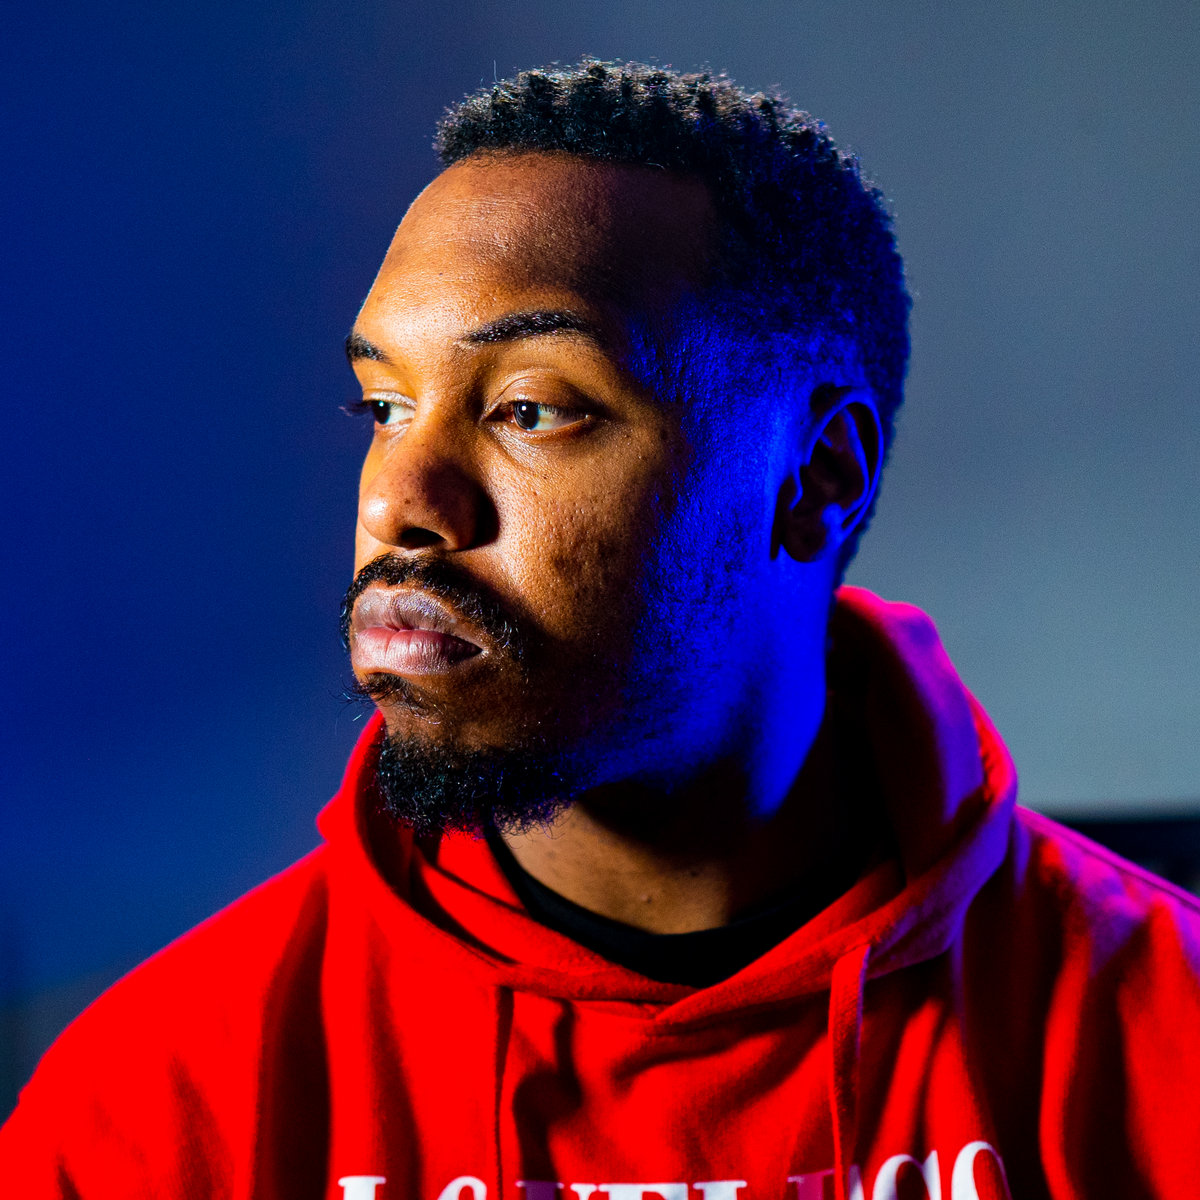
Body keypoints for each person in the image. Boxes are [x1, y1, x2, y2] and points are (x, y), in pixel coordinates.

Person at [2, 59, 1198, 1200]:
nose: (398, 503)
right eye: (385, 406)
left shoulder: (1162, 1039)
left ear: (818, 474)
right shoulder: (155, 1105)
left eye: (531, 409)